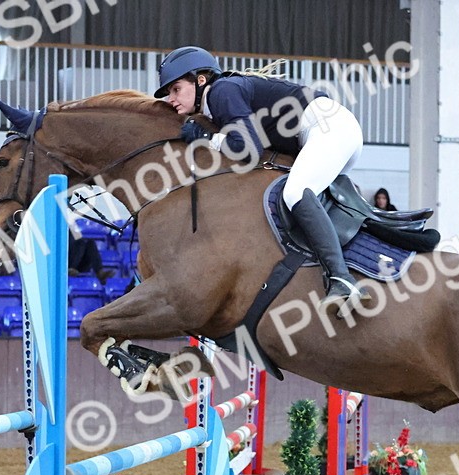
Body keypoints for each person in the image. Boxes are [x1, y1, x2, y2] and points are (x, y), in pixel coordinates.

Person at [156, 46, 364, 317]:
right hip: (325, 132)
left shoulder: (221, 92)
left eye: (176, 89)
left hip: (328, 128)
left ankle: (342, 278)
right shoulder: (219, 99)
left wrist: (207, 139)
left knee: (295, 193)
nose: (172, 98)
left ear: (201, 80)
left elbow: (248, 150)